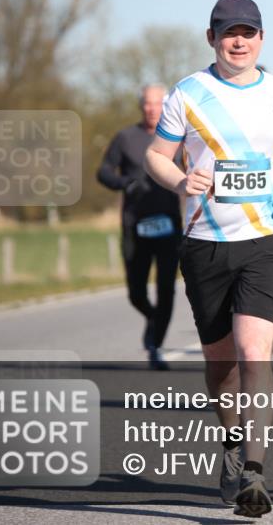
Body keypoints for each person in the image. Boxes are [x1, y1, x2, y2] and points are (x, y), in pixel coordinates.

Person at [145, 0, 273, 517]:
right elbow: (156, 155)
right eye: (228, 32)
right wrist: (179, 177)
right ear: (211, 38)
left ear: (262, 38)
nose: (239, 41)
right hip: (204, 244)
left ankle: (255, 472)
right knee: (221, 364)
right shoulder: (188, 93)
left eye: (248, 32)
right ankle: (232, 442)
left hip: (267, 239)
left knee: (253, 348)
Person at [97, 84, 181, 370]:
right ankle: (152, 316)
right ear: (140, 106)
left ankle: (156, 344)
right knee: (135, 290)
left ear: (166, 106)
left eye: (157, 104)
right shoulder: (125, 138)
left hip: (169, 223)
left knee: (167, 288)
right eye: (147, 104)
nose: (152, 109)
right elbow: (104, 171)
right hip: (136, 224)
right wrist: (124, 184)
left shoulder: (177, 138)